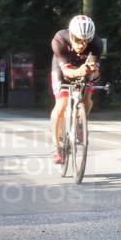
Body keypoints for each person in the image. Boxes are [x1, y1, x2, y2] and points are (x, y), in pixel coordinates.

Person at [50, 15, 102, 164]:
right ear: (71, 35)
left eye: (86, 41)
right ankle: (57, 147)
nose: (82, 45)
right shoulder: (59, 39)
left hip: (83, 67)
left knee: (87, 99)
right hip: (63, 69)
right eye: (78, 40)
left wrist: (92, 71)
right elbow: (68, 72)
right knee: (62, 104)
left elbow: (93, 70)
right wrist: (79, 71)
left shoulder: (96, 43)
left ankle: (79, 123)